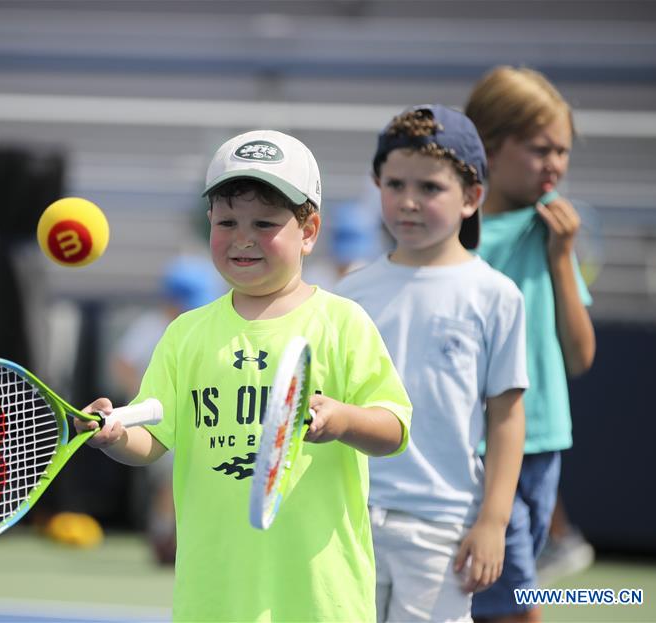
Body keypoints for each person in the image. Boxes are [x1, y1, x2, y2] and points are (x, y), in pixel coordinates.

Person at [76, 129, 413, 622]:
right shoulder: (185, 334)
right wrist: (114, 434)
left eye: (266, 222)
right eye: (227, 220)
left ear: (310, 231)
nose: (243, 238)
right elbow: (154, 439)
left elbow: (394, 429)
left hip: (321, 596)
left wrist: (342, 419)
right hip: (214, 595)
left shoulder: (344, 323)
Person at [337, 105, 527, 622]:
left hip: (443, 525)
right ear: (376, 184)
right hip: (346, 518)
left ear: (472, 198)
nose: (409, 202)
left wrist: (492, 521)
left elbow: (507, 419)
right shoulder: (349, 292)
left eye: (430, 188)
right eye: (395, 184)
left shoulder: (496, 296)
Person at [465, 66, 596, 622]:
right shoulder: (456, 239)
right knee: (519, 604)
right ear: (492, 147)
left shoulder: (552, 230)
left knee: (497, 601)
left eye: (563, 151)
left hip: (545, 445)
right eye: (541, 149)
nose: (556, 165)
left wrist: (562, 257)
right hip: (481, 449)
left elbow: (580, 355)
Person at [111, 255, 222, 565]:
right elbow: (122, 362)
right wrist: (140, 399)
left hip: (199, 422)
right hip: (158, 422)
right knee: (170, 481)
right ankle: (163, 537)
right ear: (170, 301)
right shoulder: (152, 327)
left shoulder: (205, 326)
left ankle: (178, 536)